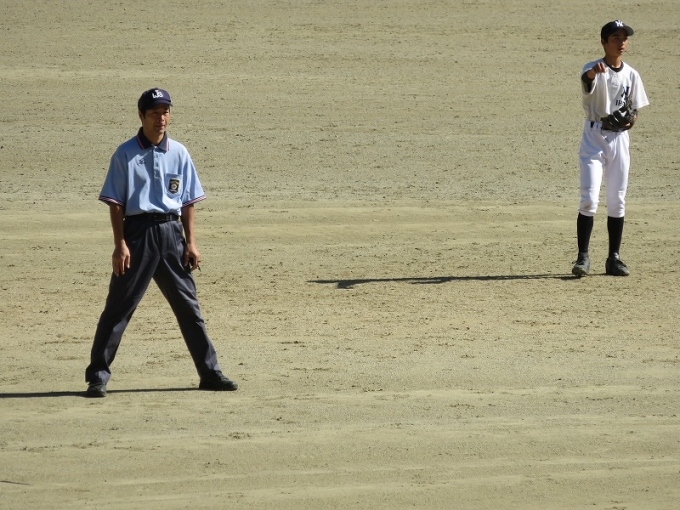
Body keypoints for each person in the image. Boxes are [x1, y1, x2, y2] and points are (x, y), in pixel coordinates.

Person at [85, 88, 238, 397]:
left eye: (165, 112)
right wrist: (120, 244)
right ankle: (97, 377)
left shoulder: (179, 152)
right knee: (118, 308)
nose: (161, 118)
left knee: (189, 307)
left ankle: (210, 373)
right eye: (154, 113)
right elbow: (116, 204)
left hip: (171, 235)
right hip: (137, 235)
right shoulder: (125, 154)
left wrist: (191, 242)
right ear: (141, 116)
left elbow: (188, 202)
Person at [572, 20, 649, 277]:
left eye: (624, 38)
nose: (621, 42)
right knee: (589, 198)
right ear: (604, 42)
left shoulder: (632, 74)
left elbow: (635, 109)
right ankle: (583, 257)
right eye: (616, 38)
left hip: (620, 140)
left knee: (617, 200)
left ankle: (613, 259)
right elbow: (586, 81)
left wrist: (631, 120)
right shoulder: (593, 68)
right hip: (594, 137)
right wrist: (593, 74)